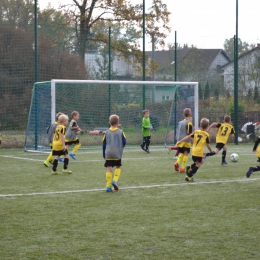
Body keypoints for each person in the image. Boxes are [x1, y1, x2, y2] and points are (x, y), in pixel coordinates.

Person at [176, 118, 213, 182]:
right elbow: (208, 145)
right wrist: (211, 151)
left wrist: (180, 141)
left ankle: (189, 167)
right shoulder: (206, 135)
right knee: (198, 164)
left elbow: (188, 136)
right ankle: (189, 176)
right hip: (198, 153)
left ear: (200, 125)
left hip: (193, 152)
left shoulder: (196, 132)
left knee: (201, 161)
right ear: (207, 126)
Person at [102, 114, 126, 192]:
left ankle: (108, 187)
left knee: (109, 169)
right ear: (118, 123)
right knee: (118, 167)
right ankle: (115, 180)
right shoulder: (121, 132)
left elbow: (104, 144)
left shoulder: (106, 132)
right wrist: (120, 147)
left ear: (109, 122)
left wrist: (104, 154)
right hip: (117, 153)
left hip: (108, 153)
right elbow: (124, 142)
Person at [174, 108, 193, 173]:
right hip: (186, 141)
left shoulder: (180, 122)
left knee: (182, 153)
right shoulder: (189, 123)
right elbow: (189, 133)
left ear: (183, 114)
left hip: (180, 140)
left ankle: (177, 163)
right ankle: (182, 168)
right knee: (186, 154)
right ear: (190, 114)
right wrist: (192, 140)